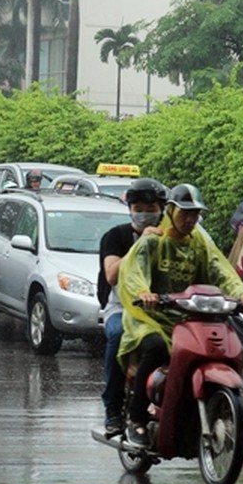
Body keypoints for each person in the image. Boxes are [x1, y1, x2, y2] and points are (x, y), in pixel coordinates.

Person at [117, 183, 243, 446]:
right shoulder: (152, 240)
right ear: (170, 211)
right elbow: (134, 272)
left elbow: (221, 270)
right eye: (185, 213)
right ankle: (136, 420)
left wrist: (241, 294)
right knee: (156, 347)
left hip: (191, 319)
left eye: (195, 214)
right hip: (152, 319)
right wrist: (145, 293)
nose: (190, 220)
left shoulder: (201, 244)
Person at [97, 178, 166, 435]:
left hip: (162, 311)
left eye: (151, 210)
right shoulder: (115, 236)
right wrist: (141, 243)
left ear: (162, 210)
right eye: (139, 209)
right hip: (122, 309)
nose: (145, 215)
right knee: (117, 336)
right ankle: (113, 408)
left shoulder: (169, 239)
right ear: (129, 209)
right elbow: (112, 275)